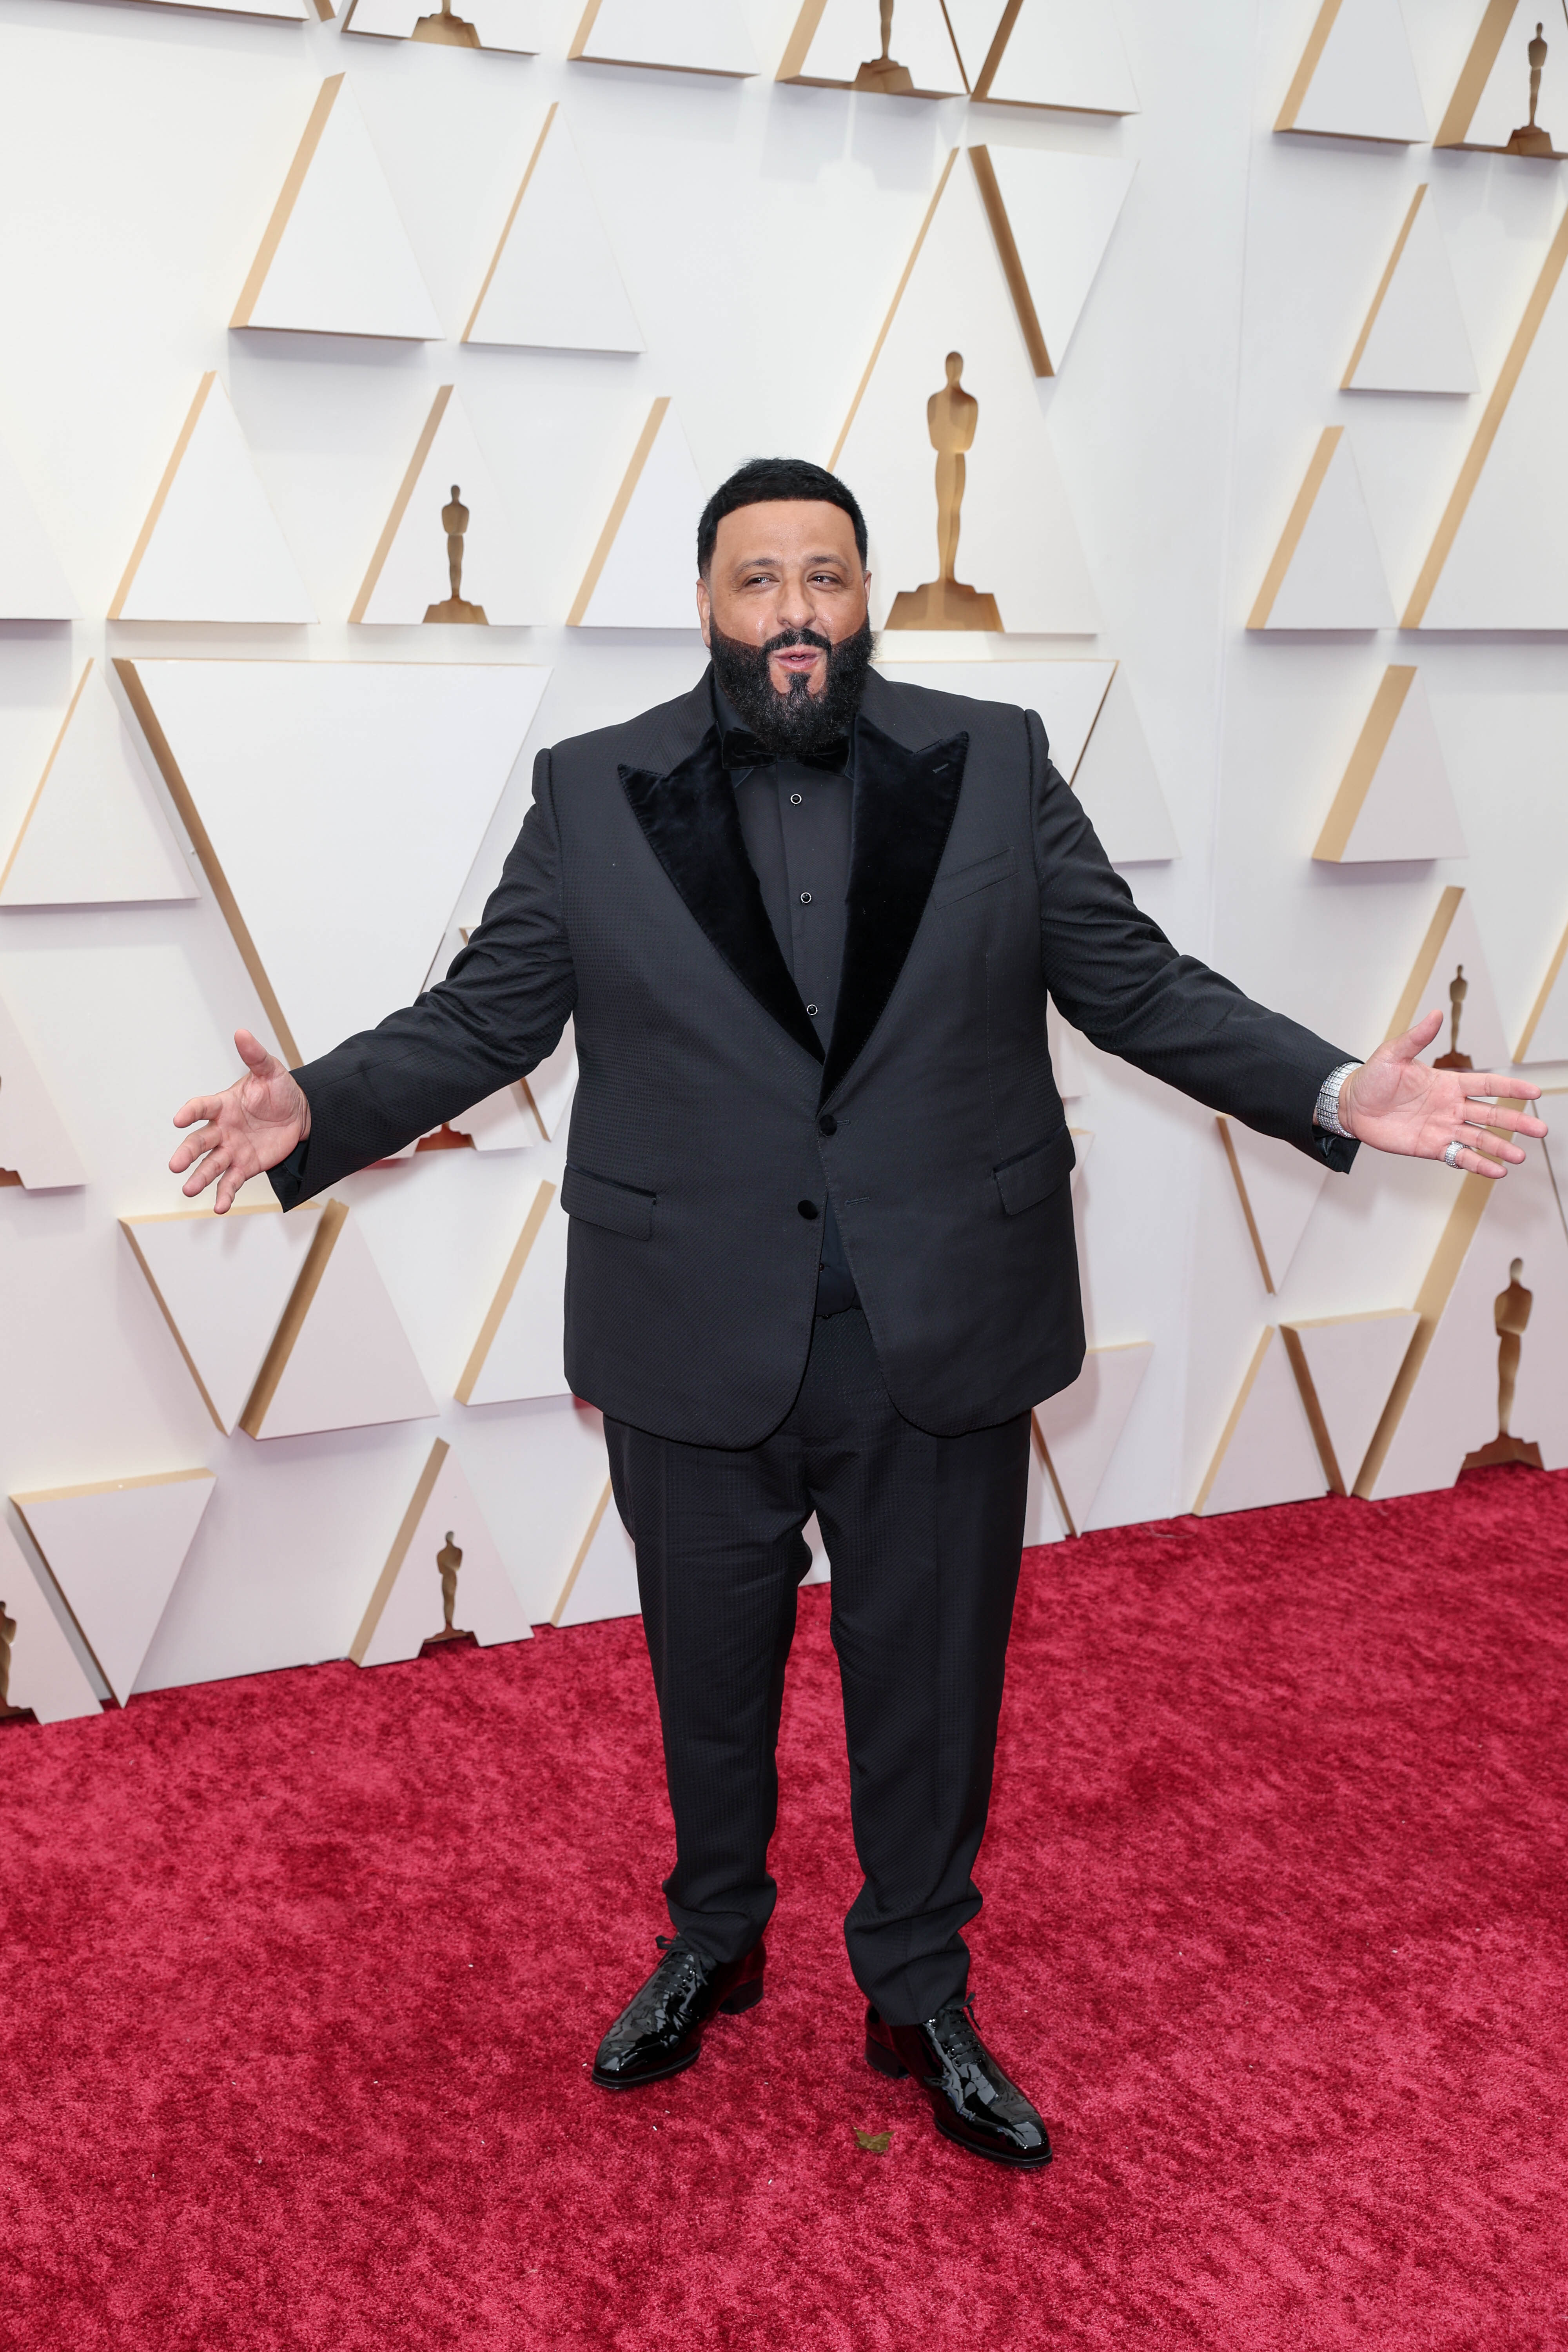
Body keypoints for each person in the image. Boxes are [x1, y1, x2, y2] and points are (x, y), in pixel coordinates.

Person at [169, 457, 1546, 2172]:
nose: (794, 612)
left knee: (933, 1680)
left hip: (939, 1325)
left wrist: (1342, 1092)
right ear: (707, 602)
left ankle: (918, 1985)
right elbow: (488, 1016)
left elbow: (1134, 987)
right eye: (759, 581)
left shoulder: (992, 765)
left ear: (866, 593)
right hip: (691, 1321)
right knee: (706, 1678)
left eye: (825, 577)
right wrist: (315, 1108)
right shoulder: (595, 793)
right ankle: (713, 1936)